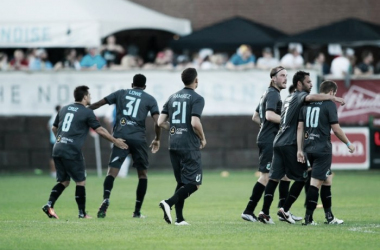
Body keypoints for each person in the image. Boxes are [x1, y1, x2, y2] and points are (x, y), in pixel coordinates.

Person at [257, 71, 345, 224]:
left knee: (274, 178)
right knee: (303, 177)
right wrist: (332, 97)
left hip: (278, 141)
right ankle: (285, 209)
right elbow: (310, 99)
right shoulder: (299, 96)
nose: (311, 85)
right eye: (309, 82)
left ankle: (264, 212)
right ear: (300, 84)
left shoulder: (289, 97)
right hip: (290, 142)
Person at [41, 86, 128, 219]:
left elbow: (54, 127)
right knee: (80, 181)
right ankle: (82, 213)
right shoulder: (87, 112)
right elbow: (99, 130)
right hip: (72, 150)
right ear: (85, 97)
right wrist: (115, 141)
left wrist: (60, 139)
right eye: (89, 95)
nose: (91, 98)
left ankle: (49, 204)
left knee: (64, 181)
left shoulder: (64, 108)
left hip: (58, 148)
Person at [88, 74, 161, 219]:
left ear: (132, 84)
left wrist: (83, 110)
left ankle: (106, 198)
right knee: (142, 175)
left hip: (120, 138)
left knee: (111, 173)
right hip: (139, 139)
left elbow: (98, 104)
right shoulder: (150, 98)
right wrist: (157, 138)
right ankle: (137, 212)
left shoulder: (120, 93)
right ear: (144, 87)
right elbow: (157, 122)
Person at [241, 66, 302, 223]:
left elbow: (256, 116)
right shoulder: (273, 94)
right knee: (266, 176)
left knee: (285, 175)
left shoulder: (267, 93)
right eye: (282, 75)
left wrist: (266, 127)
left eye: (286, 75)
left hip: (271, 138)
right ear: (273, 78)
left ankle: (284, 211)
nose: (285, 78)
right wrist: (286, 122)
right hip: (269, 140)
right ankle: (248, 210)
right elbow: (268, 115)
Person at [297, 80, 355, 225]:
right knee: (315, 183)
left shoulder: (307, 103)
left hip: (309, 147)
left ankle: (329, 216)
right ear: (331, 92)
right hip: (322, 149)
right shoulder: (329, 104)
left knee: (327, 180)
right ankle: (308, 218)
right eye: (334, 94)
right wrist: (348, 143)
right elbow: (336, 129)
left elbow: (300, 127)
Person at [158, 68, 206, 225]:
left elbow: (160, 122)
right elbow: (194, 122)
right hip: (188, 145)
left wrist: (175, 127)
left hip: (173, 144)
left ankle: (179, 219)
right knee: (195, 183)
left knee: (181, 182)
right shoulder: (197, 98)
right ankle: (168, 202)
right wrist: (202, 138)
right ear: (196, 80)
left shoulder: (172, 97)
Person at [47, 105, 61, 178]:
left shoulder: (52, 117)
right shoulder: (58, 117)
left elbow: (48, 127)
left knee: (53, 156)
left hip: (53, 139)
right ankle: (54, 171)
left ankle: (53, 172)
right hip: (57, 140)